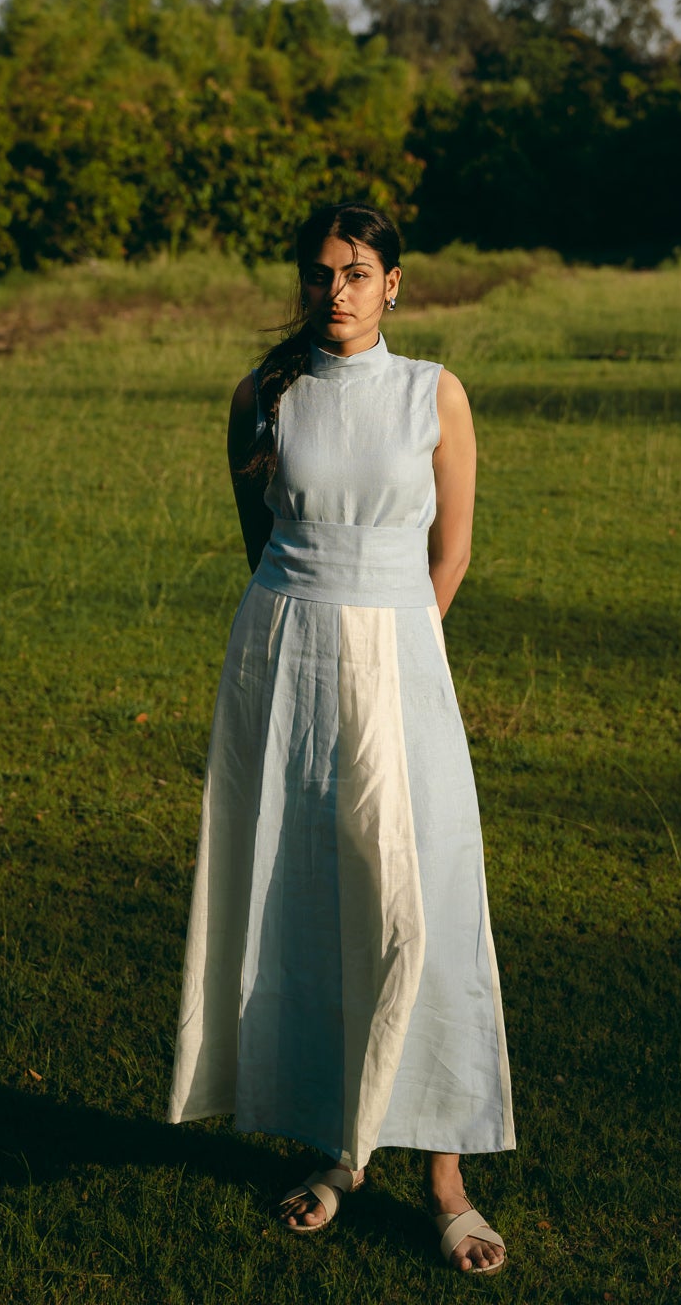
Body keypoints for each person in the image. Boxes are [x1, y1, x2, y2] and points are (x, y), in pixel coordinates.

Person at [167, 199, 513, 1274]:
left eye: (357, 271)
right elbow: (259, 547)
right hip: (285, 664)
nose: (337, 290)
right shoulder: (262, 395)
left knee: (422, 902)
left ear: (394, 283)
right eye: (320, 272)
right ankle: (337, 1145)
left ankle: (446, 1175)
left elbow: (450, 554)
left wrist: (394, 652)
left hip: (401, 664)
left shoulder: (433, 393)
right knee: (308, 894)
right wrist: (312, 647)